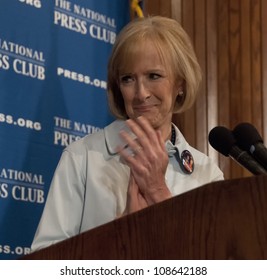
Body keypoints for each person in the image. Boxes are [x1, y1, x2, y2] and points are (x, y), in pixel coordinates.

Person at [31, 15, 224, 251]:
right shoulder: (82, 158)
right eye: (128, 79)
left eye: (154, 76)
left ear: (180, 83)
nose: (141, 93)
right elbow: (43, 263)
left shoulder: (208, 175)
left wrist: (158, 193)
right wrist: (122, 232)